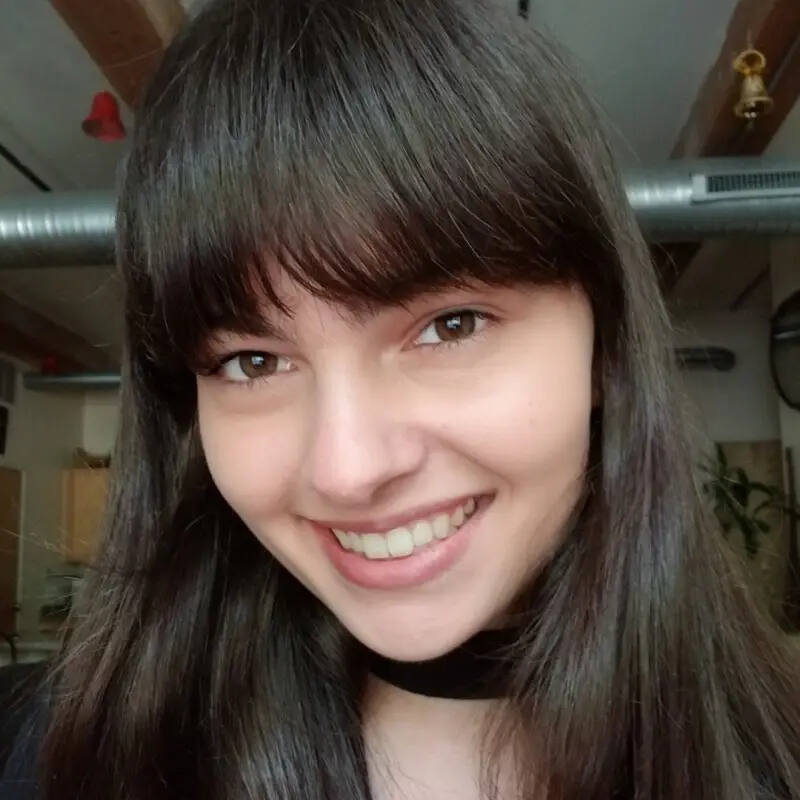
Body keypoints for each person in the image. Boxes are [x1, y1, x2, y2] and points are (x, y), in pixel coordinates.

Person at [2, 0, 799, 797]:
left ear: (603, 346)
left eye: (451, 325)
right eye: (252, 361)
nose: (348, 470)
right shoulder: (74, 759)